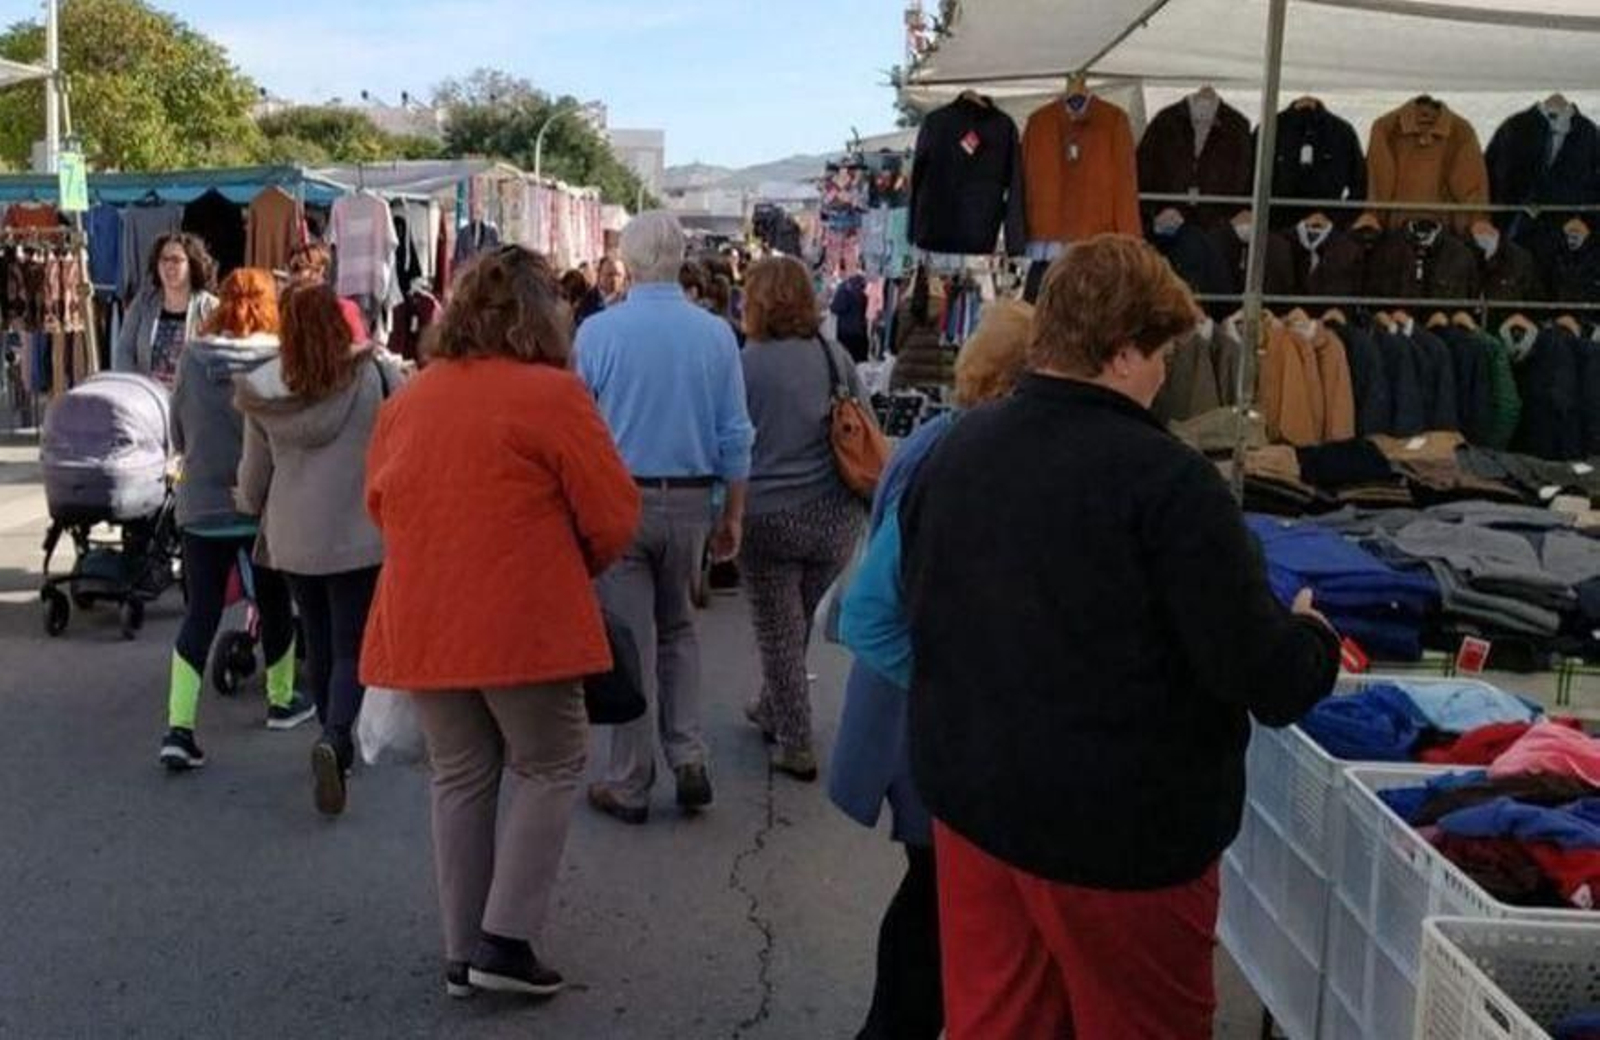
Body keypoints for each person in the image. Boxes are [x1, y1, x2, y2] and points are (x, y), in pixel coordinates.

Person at [899, 235, 1341, 1039]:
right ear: (1125, 349)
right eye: (1163, 351)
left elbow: (920, 604)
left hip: (976, 805)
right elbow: (1262, 673)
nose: (1167, 372)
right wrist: (1312, 637)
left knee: (995, 1025)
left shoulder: (957, 450)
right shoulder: (1168, 483)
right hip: (1120, 838)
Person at [361, 245, 640, 999]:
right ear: (544, 315)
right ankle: (506, 940)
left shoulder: (410, 398)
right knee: (551, 762)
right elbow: (613, 514)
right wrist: (566, 561)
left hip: (423, 618)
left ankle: (463, 951)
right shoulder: (553, 396)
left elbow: (380, 506)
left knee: (460, 776)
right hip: (526, 620)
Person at [833, 298, 1035, 1040]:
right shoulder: (963, 455)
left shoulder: (942, 441)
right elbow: (870, 612)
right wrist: (956, 690)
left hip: (915, 714)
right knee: (937, 896)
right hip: (927, 720)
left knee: (933, 891)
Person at [576, 211, 754, 824]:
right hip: (691, 500)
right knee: (679, 630)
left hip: (620, 500)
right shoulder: (716, 335)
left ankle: (629, 779)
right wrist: (734, 511)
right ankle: (689, 756)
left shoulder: (599, 334)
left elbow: (579, 430)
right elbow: (735, 433)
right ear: (680, 258)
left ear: (628, 259)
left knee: (630, 642)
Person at [234, 284, 404, 816]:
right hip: (358, 531)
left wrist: (244, 501)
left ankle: (333, 738)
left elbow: (253, 479)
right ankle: (336, 736)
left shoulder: (263, 389)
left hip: (293, 536)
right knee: (353, 642)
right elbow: (405, 440)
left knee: (319, 634)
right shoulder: (374, 376)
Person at [160, 269, 311, 771]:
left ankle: (179, 728)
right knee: (272, 600)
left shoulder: (194, 357)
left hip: (200, 504)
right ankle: (280, 700)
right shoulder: (279, 361)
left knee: (200, 612)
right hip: (261, 504)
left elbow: (176, 430)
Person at [738, 256, 871, 780]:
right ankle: (773, 705)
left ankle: (795, 740)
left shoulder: (746, 364)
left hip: (769, 517)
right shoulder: (834, 355)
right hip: (835, 518)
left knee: (777, 629)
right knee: (793, 623)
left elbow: (730, 440)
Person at [112, 232, 219, 385]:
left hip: (192, 402)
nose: (169, 265)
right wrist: (134, 387)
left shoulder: (211, 307)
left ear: (192, 265)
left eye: (176, 260)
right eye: (164, 259)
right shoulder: (143, 303)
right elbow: (124, 350)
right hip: (149, 400)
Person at [287, 242, 368, 345]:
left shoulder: (344, 310)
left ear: (320, 270)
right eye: (293, 270)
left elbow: (359, 351)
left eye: (299, 268)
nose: (296, 277)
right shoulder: (288, 313)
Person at [575, 255, 628, 326]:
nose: (614, 279)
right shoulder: (586, 303)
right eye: (609, 274)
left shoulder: (629, 299)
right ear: (599, 275)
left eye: (619, 275)